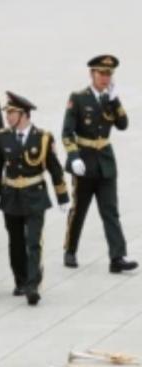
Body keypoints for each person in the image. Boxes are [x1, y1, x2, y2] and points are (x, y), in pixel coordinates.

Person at [0, 92, 69, 306]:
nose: (8, 116)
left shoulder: (42, 138)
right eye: (8, 112)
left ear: (24, 114)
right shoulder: (2, 137)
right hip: (11, 196)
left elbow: (55, 169)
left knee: (33, 241)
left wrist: (63, 197)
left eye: (12, 113)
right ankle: (20, 280)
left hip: (34, 196)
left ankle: (33, 286)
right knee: (16, 242)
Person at [61, 55, 137, 273]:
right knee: (79, 210)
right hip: (84, 161)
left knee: (110, 211)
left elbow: (123, 124)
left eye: (109, 74)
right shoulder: (78, 98)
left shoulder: (110, 99)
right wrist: (74, 156)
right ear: (92, 74)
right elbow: (67, 132)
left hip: (105, 161)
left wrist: (115, 100)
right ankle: (70, 249)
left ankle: (117, 257)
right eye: (101, 73)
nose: (105, 78)